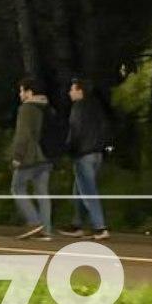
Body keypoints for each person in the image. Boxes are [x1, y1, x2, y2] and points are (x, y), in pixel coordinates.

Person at [60, 78, 112, 240]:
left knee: (88, 191)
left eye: (72, 89)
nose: (69, 92)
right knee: (79, 190)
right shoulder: (96, 107)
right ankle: (77, 225)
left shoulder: (78, 107)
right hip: (97, 154)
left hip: (83, 154)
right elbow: (106, 128)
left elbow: (75, 130)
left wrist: (68, 149)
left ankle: (100, 227)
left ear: (80, 91)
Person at [9, 78, 55, 240]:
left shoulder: (26, 109)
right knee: (42, 193)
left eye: (22, 90)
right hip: (47, 156)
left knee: (17, 188)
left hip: (30, 157)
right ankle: (46, 231)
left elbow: (23, 135)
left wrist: (17, 156)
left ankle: (34, 222)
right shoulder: (47, 108)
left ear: (29, 92)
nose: (20, 94)